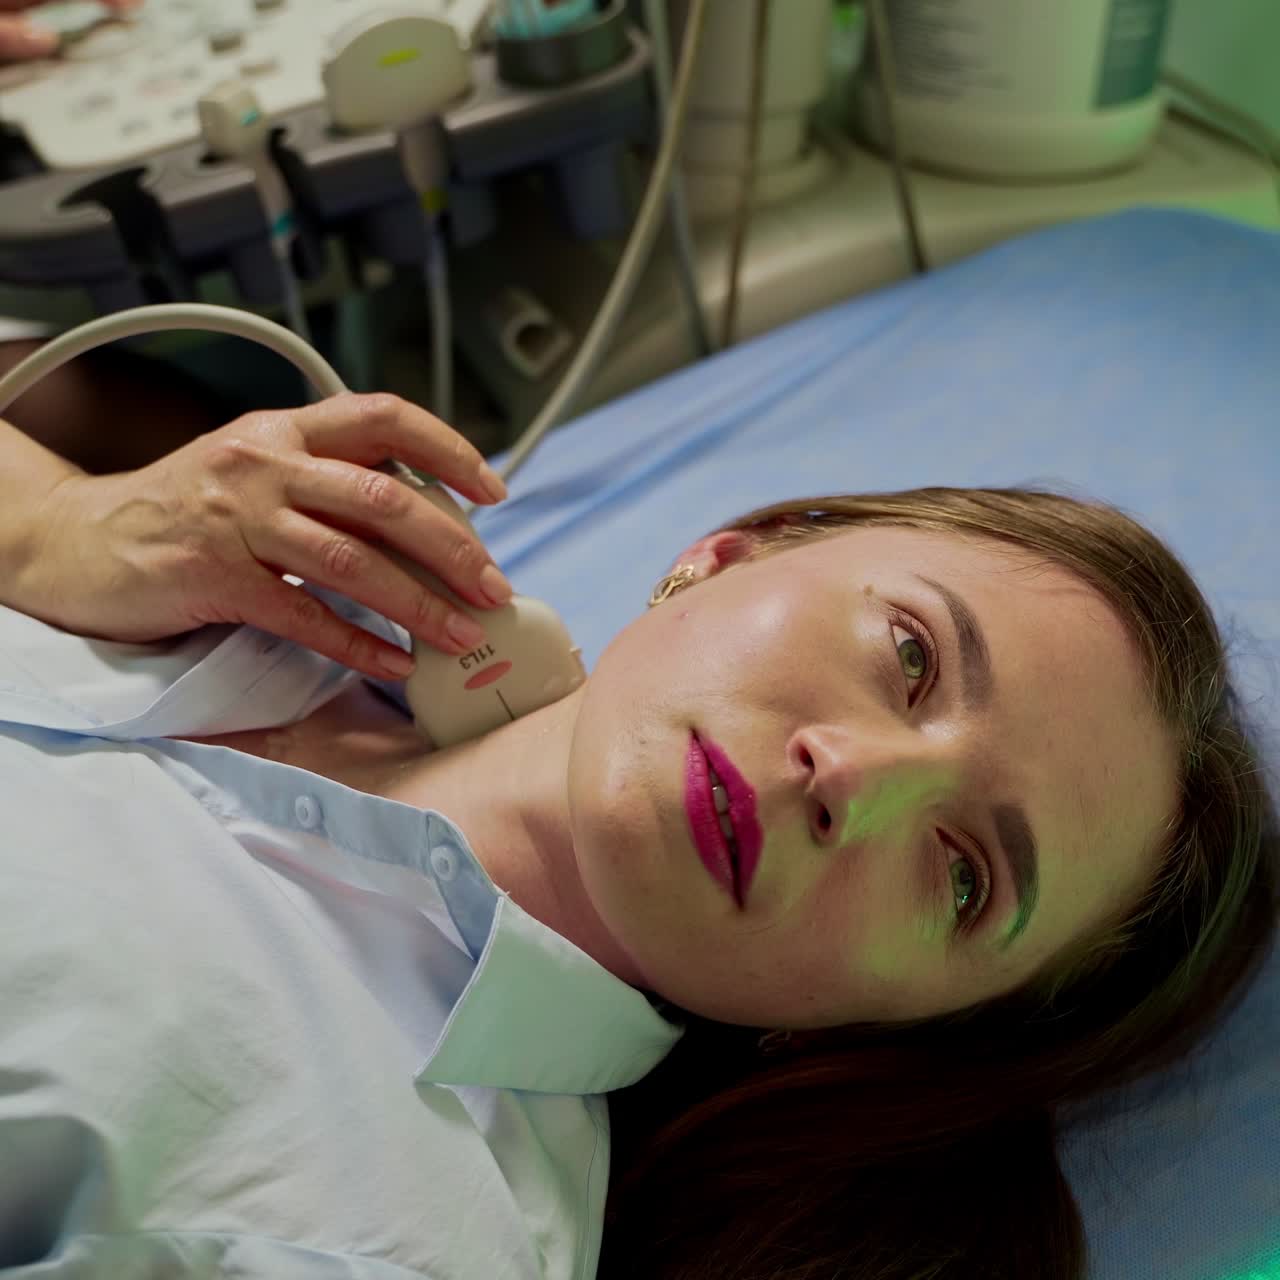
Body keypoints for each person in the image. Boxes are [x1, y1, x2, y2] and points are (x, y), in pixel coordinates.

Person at [1, 364, 1277, 1280]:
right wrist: (47, 521)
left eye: (960, 879)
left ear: (860, 1026)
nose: (855, 777)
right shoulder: (207, 551)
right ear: (730, 554)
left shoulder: (372, 1221)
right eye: (909, 655)